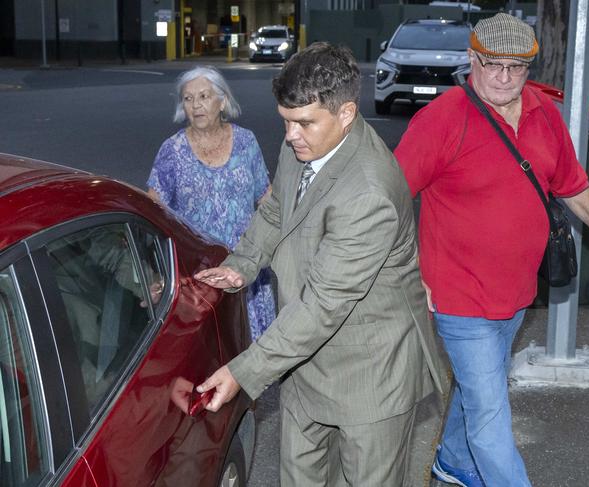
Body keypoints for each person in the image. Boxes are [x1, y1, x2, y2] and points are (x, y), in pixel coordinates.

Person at [194, 42, 449, 486]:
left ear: (346, 113)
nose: (291, 135)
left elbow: (323, 306)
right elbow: (277, 210)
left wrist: (244, 371)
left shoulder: (369, 192)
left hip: (370, 379)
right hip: (305, 361)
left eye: (303, 123)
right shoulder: (307, 143)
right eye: (286, 121)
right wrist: (244, 263)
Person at [395, 13, 589, 487]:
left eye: (517, 67)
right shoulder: (440, 120)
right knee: (490, 420)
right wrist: (409, 268)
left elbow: (572, 184)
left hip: (518, 293)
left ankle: (452, 465)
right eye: (493, 64)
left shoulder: (543, 112)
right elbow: (391, 198)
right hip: (460, 296)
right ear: (472, 59)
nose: (504, 78)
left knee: (478, 389)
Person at [147, 65, 275, 341]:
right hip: (198, 274)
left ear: (223, 101)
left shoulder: (246, 142)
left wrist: (272, 251)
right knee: (207, 356)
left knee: (249, 355)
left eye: (204, 96)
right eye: (188, 98)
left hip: (245, 266)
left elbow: (266, 200)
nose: (196, 105)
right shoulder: (172, 151)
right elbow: (153, 212)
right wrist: (159, 271)